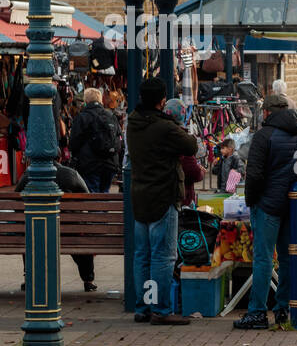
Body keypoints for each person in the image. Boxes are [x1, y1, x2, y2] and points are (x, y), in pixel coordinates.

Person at [235, 94, 297, 330]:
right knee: (288, 259)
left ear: (267, 113)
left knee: (263, 259)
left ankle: (257, 312)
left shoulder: (264, 136)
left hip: (268, 205)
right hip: (295, 207)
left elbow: (254, 175)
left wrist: (253, 200)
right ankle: (283, 308)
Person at [127, 76, 197, 326]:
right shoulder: (164, 127)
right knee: (162, 257)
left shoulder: (132, 123)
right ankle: (161, 309)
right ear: (161, 100)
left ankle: (143, 307)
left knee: (142, 256)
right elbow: (191, 145)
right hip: (163, 196)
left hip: (140, 196)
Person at [15, 157, 97, 293]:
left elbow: (15, 198)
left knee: (29, 239)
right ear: (59, 158)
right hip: (70, 230)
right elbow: (86, 196)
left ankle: (29, 276)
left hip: (39, 230)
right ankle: (88, 280)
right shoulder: (71, 174)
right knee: (82, 239)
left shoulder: (30, 173)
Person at [68, 86, 120, 193]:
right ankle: (102, 209)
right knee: (104, 194)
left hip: (90, 165)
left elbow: (74, 143)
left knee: (93, 194)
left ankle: (98, 210)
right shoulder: (111, 116)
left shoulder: (82, 117)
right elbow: (119, 139)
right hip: (110, 164)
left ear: (86, 100)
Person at [163, 99, 205, 206]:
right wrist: (201, 172)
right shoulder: (180, 138)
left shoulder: (157, 133)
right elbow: (192, 171)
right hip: (179, 197)